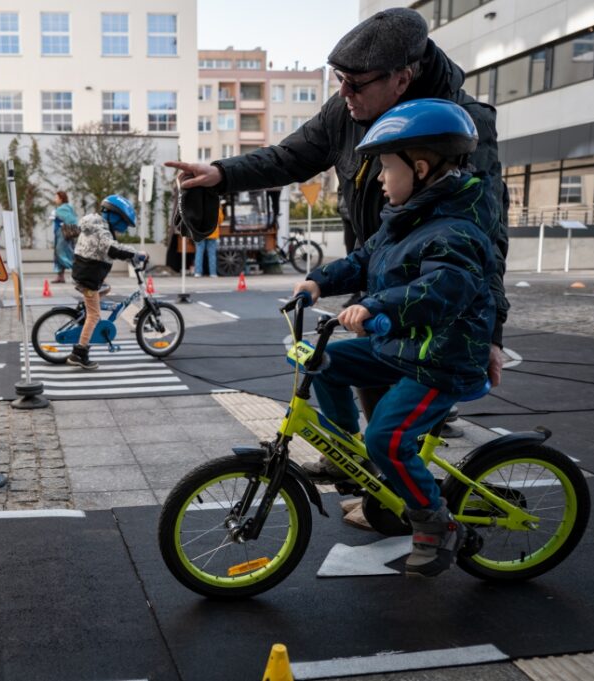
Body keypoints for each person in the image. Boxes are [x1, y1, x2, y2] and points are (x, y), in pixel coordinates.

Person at [166, 7, 510, 478]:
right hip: (377, 284)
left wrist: (492, 335)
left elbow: (488, 236)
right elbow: (290, 156)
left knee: (390, 435)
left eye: (355, 83)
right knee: (343, 380)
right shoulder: (347, 110)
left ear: (402, 79)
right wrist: (222, 174)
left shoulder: (459, 127)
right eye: (338, 79)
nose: (342, 93)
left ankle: (422, 520)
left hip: (436, 304)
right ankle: (360, 472)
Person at [293, 99, 498, 577]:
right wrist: (320, 280)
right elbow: (365, 260)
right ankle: (344, 451)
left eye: (386, 167)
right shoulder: (404, 218)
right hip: (406, 346)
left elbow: (442, 288)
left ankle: (436, 525)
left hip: (442, 359)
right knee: (320, 361)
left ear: (420, 169)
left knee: (388, 436)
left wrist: (376, 307)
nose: (381, 179)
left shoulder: (456, 230)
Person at [67, 195, 147, 370]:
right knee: (94, 315)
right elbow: (112, 248)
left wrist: (129, 255)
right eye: (124, 222)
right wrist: (136, 254)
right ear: (114, 216)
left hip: (87, 275)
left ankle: (86, 310)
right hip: (88, 279)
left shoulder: (98, 225)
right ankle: (79, 353)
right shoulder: (101, 231)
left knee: (107, 288)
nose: (124, 227)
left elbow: (110, 248)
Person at [52, 190, 78, 283]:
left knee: (62, 253)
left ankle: (77, 273)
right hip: (62, 234)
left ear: (61, 199)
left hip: (63, 235)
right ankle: (60, 276)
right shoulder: (67, 207)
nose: (55, 199)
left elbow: (70, 220)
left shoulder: (62, 208)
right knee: (60, 254)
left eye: (56, 197)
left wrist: (57, 214)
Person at [193, 203, 221, 277]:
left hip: (200, 232)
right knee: (212, 254)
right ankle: (213, 273)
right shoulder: (215, 204)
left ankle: (198, 272)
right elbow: (220, 219)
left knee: (199, 252)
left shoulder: (198, 205)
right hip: (212, 232)